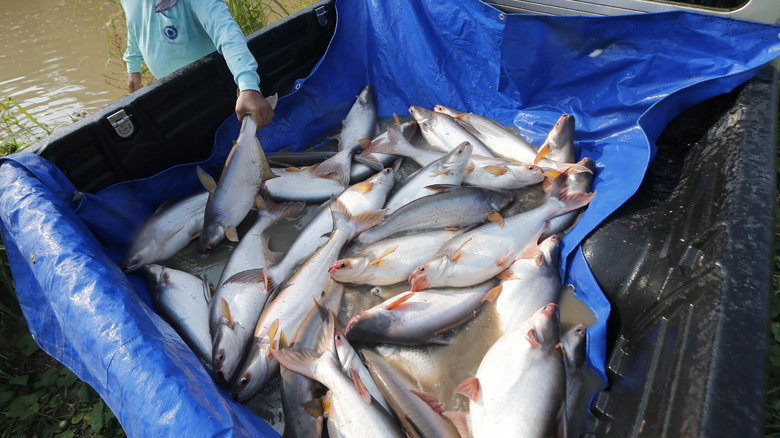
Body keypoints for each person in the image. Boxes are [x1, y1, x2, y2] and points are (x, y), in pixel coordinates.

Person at [120, 0, 274, 127]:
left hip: (217, 89)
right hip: (172, 92)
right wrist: (133, 66)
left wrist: (248, 87)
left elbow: (226, 33)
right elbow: (133, 23)